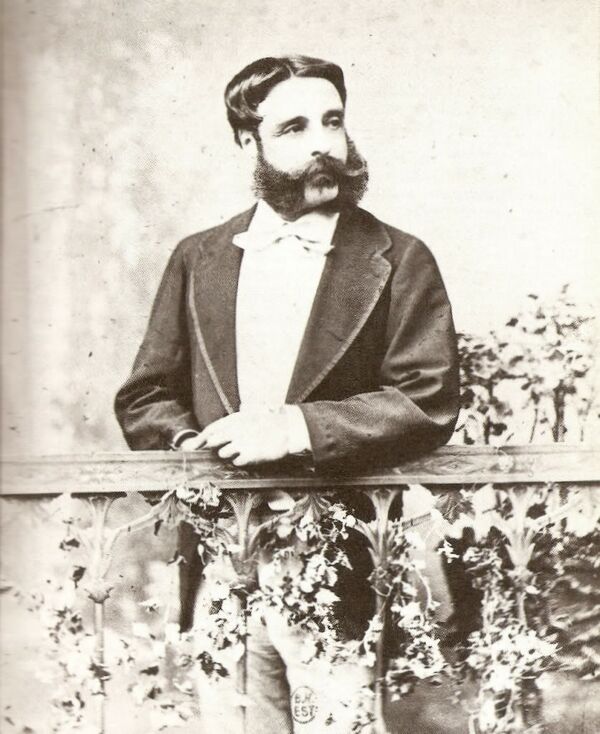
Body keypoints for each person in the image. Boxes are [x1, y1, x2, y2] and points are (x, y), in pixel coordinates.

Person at [115, 55, 460, 733]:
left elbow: (427, 398)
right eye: (295, 128)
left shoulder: (400, 257)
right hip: (224, 560)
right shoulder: (198, 258)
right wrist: (193, 448)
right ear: (249, 141)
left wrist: (295, 427)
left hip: (341, 562)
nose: (323, 144)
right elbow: (146, 394)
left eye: (333, 122)